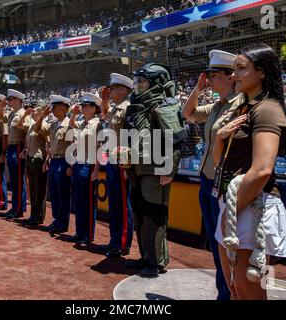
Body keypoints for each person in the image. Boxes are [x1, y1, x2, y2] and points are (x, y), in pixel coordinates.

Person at [212, 44, 286, 300]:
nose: (234, 74)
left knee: (250, 293)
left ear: (261, 72)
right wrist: (218, 138)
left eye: (241, 68)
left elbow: (261, 170)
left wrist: (231, 215)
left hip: (252, 206)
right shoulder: (244, 108)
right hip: (235, 203)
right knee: (236, 289)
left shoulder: (267, 108)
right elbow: (220, 164)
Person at [182, 50, 245, 300]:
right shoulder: (217, 105)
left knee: (229, 247)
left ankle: (230, 295)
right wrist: (197, 90)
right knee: (216, 246)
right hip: (208, 181)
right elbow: (188, 113)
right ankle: (224, 293)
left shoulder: (241, 105)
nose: (209, 79)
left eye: (214, 74)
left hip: (227, 184)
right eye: (208, 74)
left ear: (231, 77)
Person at [124, 63, 182, 277]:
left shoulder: (164, 106)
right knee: (139, 215)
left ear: (156, 83)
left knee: (153, 217)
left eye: (143, 82)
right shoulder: (136, 107)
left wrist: (169, 170)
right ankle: (145, 256)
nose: (138, 86)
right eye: (137, 82)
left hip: (155, 171)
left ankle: (157, 261)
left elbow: (175, 141)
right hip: (136, 170)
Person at [99, 73, 134, 257]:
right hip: (113, 161)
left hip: (122, 163)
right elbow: (105, 117)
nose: (110, 91)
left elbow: (131, 136)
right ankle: (114, 241)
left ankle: (122, 243)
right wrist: (104, 100)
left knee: (122, 205)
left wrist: (127, 165)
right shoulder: (116, 108)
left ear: (123, 90)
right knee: (114, 204)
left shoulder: (128, 108)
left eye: (112, 89)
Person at [68, 93, 103, 245]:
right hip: (78, 164)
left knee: (88, 202)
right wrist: (74, 114)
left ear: (95, 108)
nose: (82, 108)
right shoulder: (83, 123)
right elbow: (70, 127)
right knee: (79, 201)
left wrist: (96, 170)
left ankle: (88, 234)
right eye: (82, 106)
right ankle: (79, 231)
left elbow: (100, 148)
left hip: (89, 165)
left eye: (86, 106)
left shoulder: (98, 124)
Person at [35, 95, 72, 233]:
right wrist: (42, 116)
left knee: (63, 194)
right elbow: (37, 129)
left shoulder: (69, 124)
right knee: (54, 193)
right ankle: (57, 220)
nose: (52, 109)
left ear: (64, 108)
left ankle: (63, 223)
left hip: (63, 160)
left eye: (54, 107)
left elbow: (72, 146)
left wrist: (70, 165)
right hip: (54, 160)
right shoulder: (53, 124)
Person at [18, 102, 48, 226]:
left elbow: (48, 144)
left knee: (39, 189)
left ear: (41, 113)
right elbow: (19, 124)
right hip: (30, 158)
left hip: (38, 158)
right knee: (33, 189)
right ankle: (33, 215)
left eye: (35, 110)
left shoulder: (44, 125)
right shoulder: (31, 124)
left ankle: (39, 216)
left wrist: (46, 162)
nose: (33, 112)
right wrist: (25, 114)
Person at [5, 89, 29, 220]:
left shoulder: (23, 114)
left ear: (19, 100)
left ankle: (19, 208)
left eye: (12, 99)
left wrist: (25, 149)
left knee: (19, 180)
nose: (9, 102)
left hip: (18, 147)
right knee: (14, 181)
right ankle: (15, 207)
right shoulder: (12, 114)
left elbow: (27, 134)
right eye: (9, 99)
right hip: (11, 147)